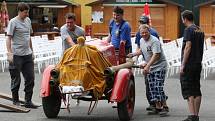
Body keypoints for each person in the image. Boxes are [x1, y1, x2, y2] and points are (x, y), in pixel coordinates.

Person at [127, 24, 168, 116]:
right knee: (152, 87)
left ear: (149, 31)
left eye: (146, 32)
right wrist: (133, 54)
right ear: (139, 33)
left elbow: (156, 55)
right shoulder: (141, 40)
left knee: (158, 86)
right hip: (150, 66)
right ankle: (158, 107)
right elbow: (142, 50)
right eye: (142, 33)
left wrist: (147, 65)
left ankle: (165, 106)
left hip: (159, 66)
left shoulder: (154, 41)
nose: (144, 34)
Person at [6, 2, 38, 108]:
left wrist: (32, 51)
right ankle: (15, 100)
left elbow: (28, 37)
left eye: (27, 12)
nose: (27, 14)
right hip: (16, 55)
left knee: (30, 78)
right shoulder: (13, 22)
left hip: (27, 55)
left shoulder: (28, 20)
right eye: (25, 12)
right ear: (19, 11)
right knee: (16, 79)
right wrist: (9, 53)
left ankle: (28, 101)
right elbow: (8, 38)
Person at [180, 10, 204, 121]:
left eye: (182, 19)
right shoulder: (199, 29)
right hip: (198, 63)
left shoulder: (188, 30)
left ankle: (192, 115)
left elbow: (188, 47)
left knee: (188, 88)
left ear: (184, 18)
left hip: (189, 64)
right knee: (196, 89)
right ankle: (196, 115)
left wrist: (183, 64)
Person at [135, 15, 161, 112]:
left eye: (142, 22)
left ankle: (154, 103)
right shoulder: (141, 33)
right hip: (149, 60)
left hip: (152, 61)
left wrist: (144, 62)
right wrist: (135, 57)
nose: (141, 24)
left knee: (151, 83)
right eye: (141, 22)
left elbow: (156, 49)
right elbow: (140, 47)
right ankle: (157, 102)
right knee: (155, 83)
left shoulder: (152, 34)